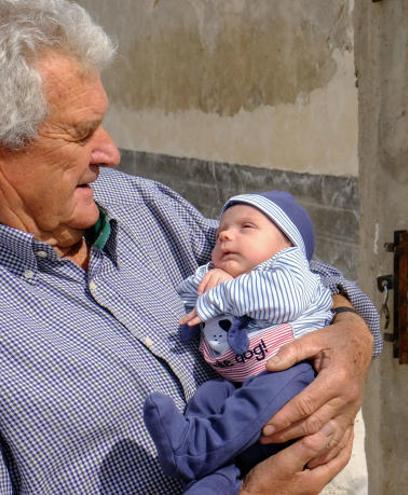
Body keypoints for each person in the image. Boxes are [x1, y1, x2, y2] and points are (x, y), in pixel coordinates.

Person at [0, 1, 380, 493]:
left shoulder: (141, 205)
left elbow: (301, 270)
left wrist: (349, 330)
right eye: (80, 133)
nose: (110, 154)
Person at [144, 191, 336, 493]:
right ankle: (211, 484)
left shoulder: (291, 269)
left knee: (256, 397)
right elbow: (188, 305)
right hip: (239, 384)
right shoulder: (213, 275)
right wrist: (208, 285)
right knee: (207, 397)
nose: (226, 237)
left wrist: (220, 294)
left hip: (290, 374)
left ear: (287, 243)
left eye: (246, 227)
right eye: (222, 232)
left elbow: (284, 301)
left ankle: (192, 451)